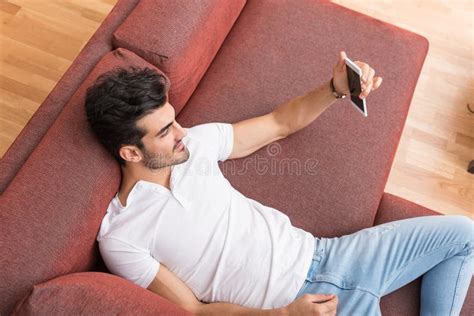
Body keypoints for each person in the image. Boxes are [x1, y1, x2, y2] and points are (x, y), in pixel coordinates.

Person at [85, 51, 473, 316]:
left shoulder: (194, 147)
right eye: (167, 131)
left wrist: (336, 88)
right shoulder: (123, 236)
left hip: (332, 255)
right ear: (131, 153)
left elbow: (278, 123)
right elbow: (193, 310)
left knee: (466, 234)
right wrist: (285, 314)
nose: (182, 133)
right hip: (298, 306)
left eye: (175, 120)